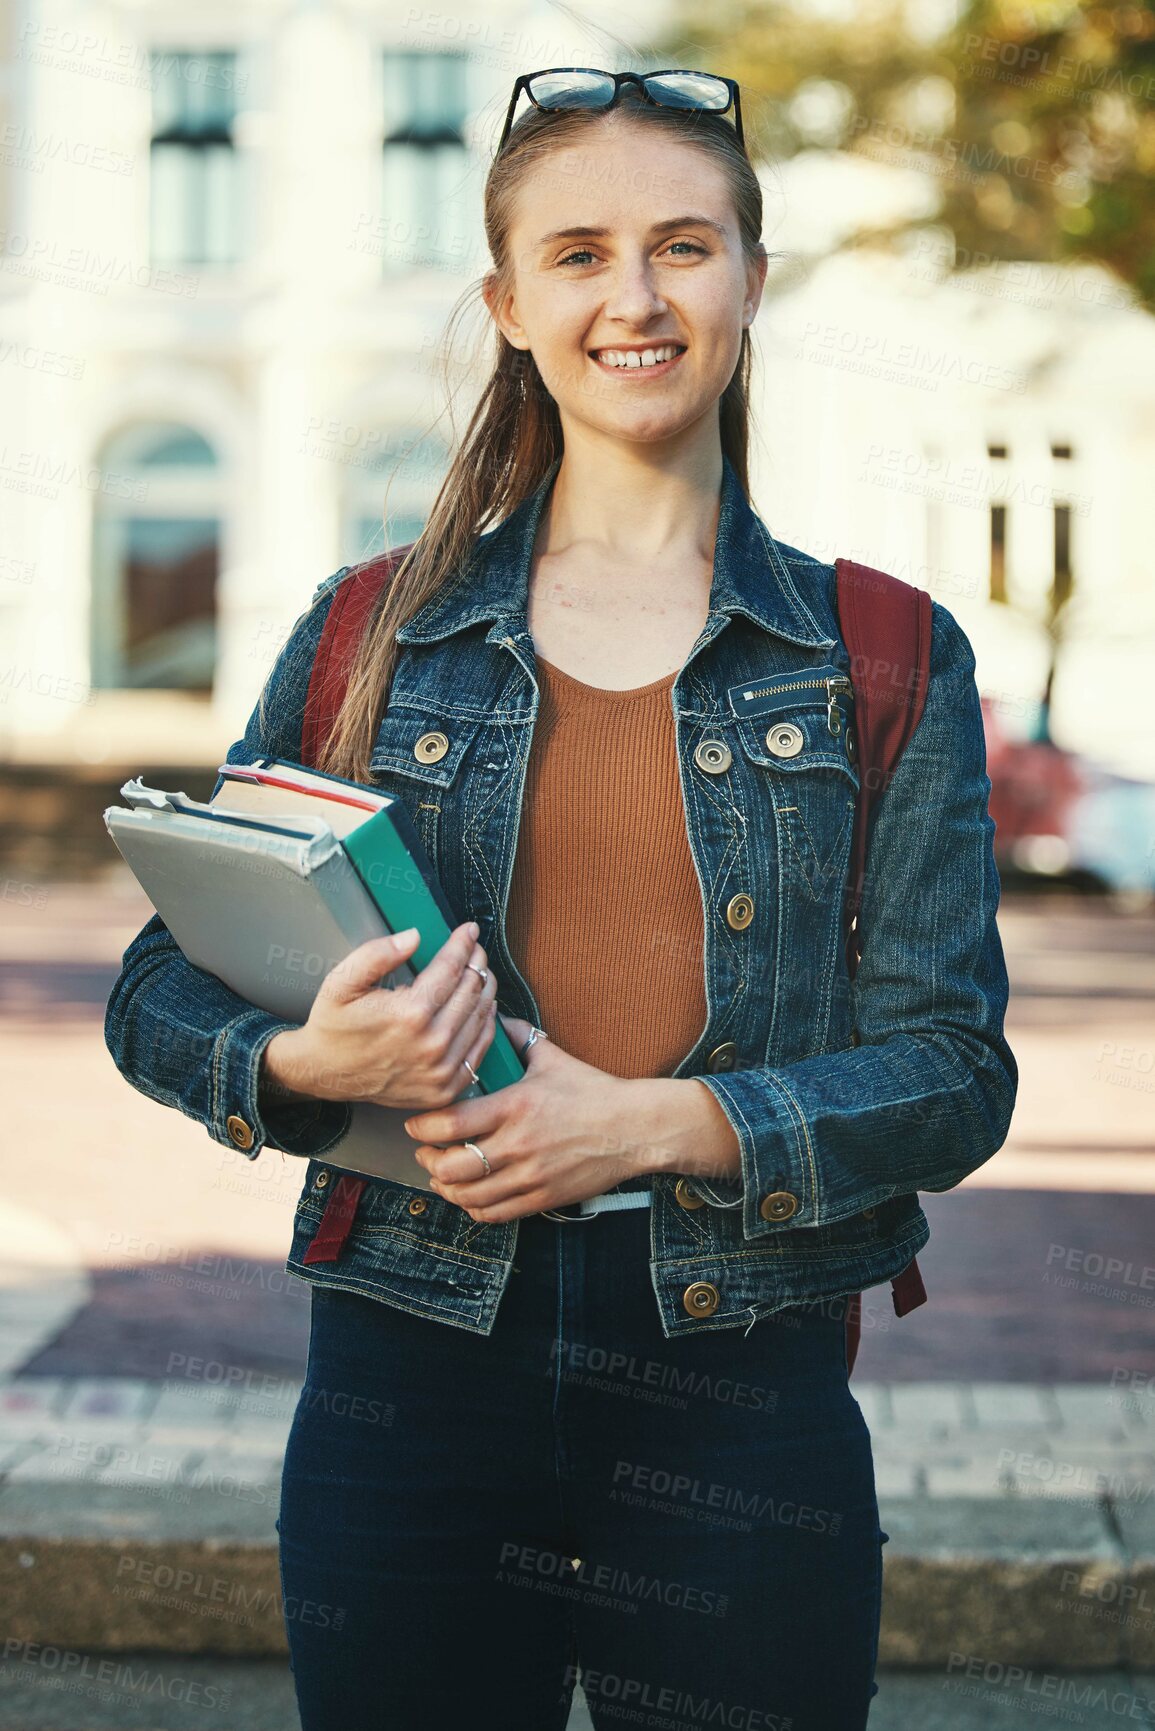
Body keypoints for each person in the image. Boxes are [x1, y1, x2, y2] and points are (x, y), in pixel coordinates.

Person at [105, 66, 1018, 1731]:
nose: (639, 297)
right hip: (408, 1359)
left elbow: (955, 1075)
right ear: (510, 304)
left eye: (684, 245)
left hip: (742, 1364)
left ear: (752, 281)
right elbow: (159, 987)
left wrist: (648, 1127)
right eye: (582, 253)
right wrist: (311, 1069)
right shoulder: (370, 629)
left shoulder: (882, 651)